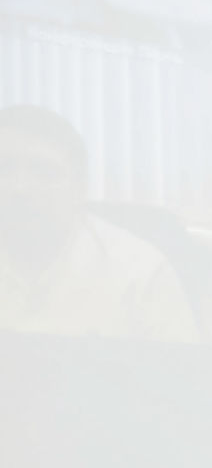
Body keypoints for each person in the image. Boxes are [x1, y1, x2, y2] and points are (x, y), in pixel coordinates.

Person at [0, 105, 197, 342]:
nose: (19, 188)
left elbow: (182, 364)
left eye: (44, 172)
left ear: (80, 187)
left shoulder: (141, 272)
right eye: (4, 169)